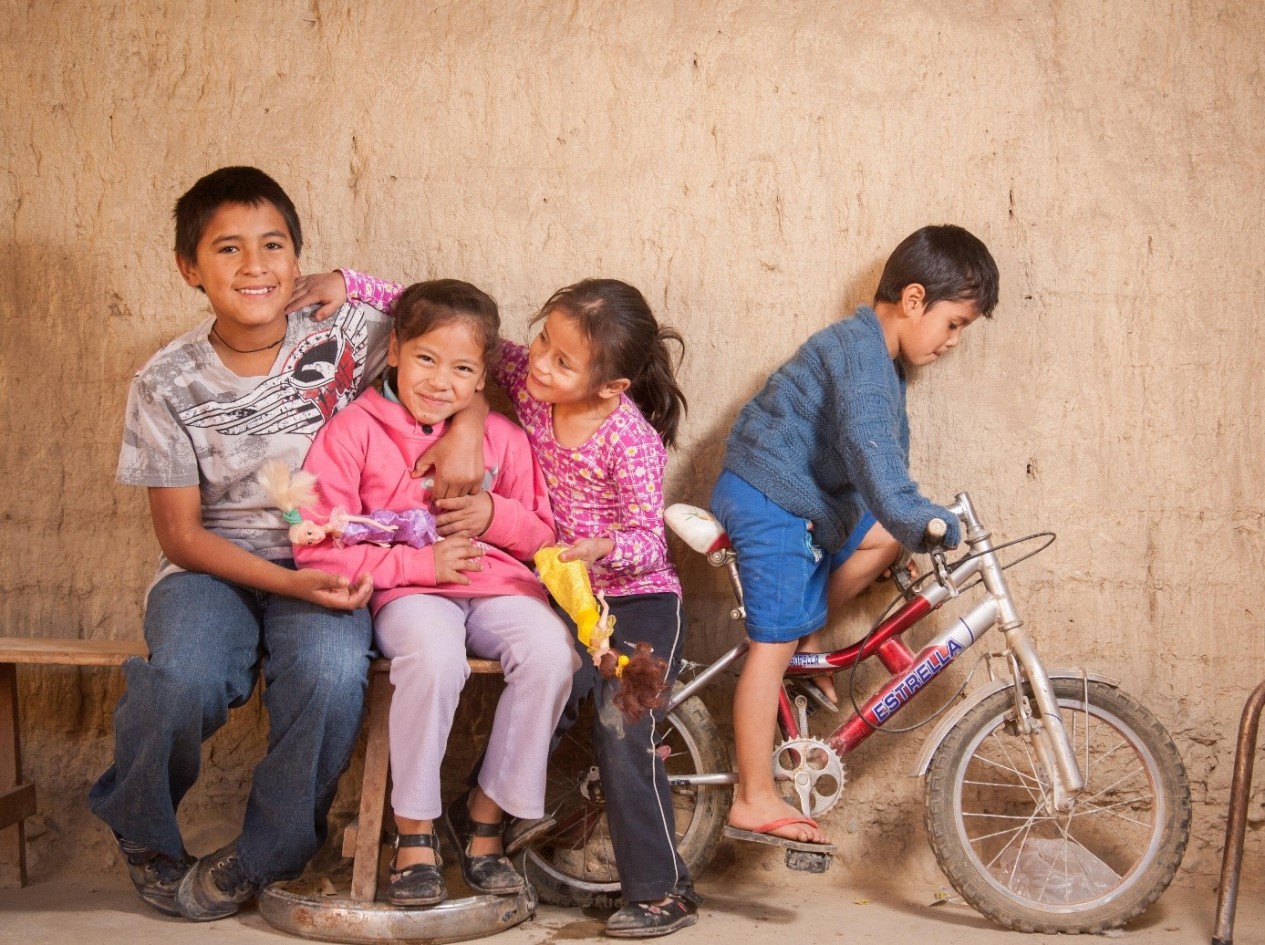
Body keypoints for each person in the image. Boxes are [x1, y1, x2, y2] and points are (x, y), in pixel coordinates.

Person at [304, 269, 700, 937]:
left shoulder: (626, 438)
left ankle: (499, 825)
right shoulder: (514, 385)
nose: (538, 360)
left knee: (586, 686)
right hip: (442, 588)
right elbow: (453, 333)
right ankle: (417, 832)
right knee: (432, 655)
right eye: (540, 342)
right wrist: (349, 282)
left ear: (609, 385)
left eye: (560, 358)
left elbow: (607, 535)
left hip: (624, 591)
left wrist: (509, 519)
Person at [88, 166, 402, 923]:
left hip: (327, 556)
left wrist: (350, 281)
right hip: (211, 566)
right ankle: (146, 832)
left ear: (299, 258)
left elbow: (459, 336)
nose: (256, 266)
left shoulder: (347, 337)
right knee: (184, 676)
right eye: (228, 249)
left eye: (274, 245)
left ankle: (267, 855)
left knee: (330, 675)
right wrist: (285, 584)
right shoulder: (166, 381)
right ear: (190, 268)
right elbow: (182, 534)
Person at [710, 224, 1000, 849]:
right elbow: (877, 462)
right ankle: (753, 795)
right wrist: (926, 519)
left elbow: (879, 468)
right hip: (769, 497)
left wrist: (905, 521)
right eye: (953, 324)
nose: (953, 342)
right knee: (771, 644)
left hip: (801, 497)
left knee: (881, 541)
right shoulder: (862, 360)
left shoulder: (877, 357)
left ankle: (808, 632)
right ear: (915, 299)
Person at [293, 279, 578, 908]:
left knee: (554, 653)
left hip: (499, 587)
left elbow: (544, 539)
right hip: (411, 595)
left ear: (482, 379)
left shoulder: (501, 438)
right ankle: (414, 830)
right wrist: (418, 564)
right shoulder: (351, 432)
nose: (440, 381)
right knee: (435, 656)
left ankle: (485, 819)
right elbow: (316, 545)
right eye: (426, 358)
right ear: (393, 349)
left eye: (462, 368)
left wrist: (493, 515)